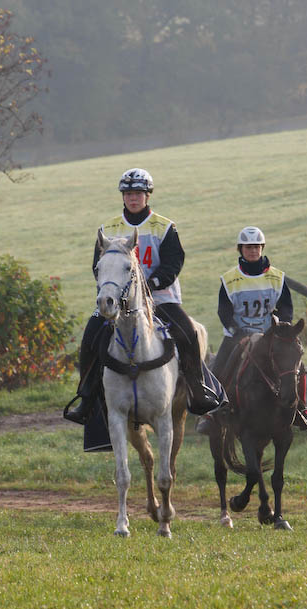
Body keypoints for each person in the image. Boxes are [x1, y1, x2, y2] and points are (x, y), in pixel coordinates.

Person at [64, 168, 221, 426]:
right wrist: (110, 291)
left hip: (161, 298)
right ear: (123, 197)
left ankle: (198, 389)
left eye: (138, 193)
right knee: (90, 336)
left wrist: (151, 283)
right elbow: (98, 266)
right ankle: (87, 395)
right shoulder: (108, 228)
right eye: (128, 194)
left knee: (188, 334)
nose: (133, 198)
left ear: (147, 196)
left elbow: (173, 262)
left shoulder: (165, 226)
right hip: (118, 301)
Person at [196, 225, 307, 433]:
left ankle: (301, 410)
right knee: (218, 368)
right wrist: (236, 330)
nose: (252, 251)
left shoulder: (277, 277)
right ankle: (211, 413)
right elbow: (224, 311)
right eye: (248, 247)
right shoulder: (229, 279)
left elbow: (286, 307)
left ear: (262, 248)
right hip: (238, 334)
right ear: (241, 250)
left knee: (297, 365)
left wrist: (283, 328)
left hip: (271, 335)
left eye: (256, 247)